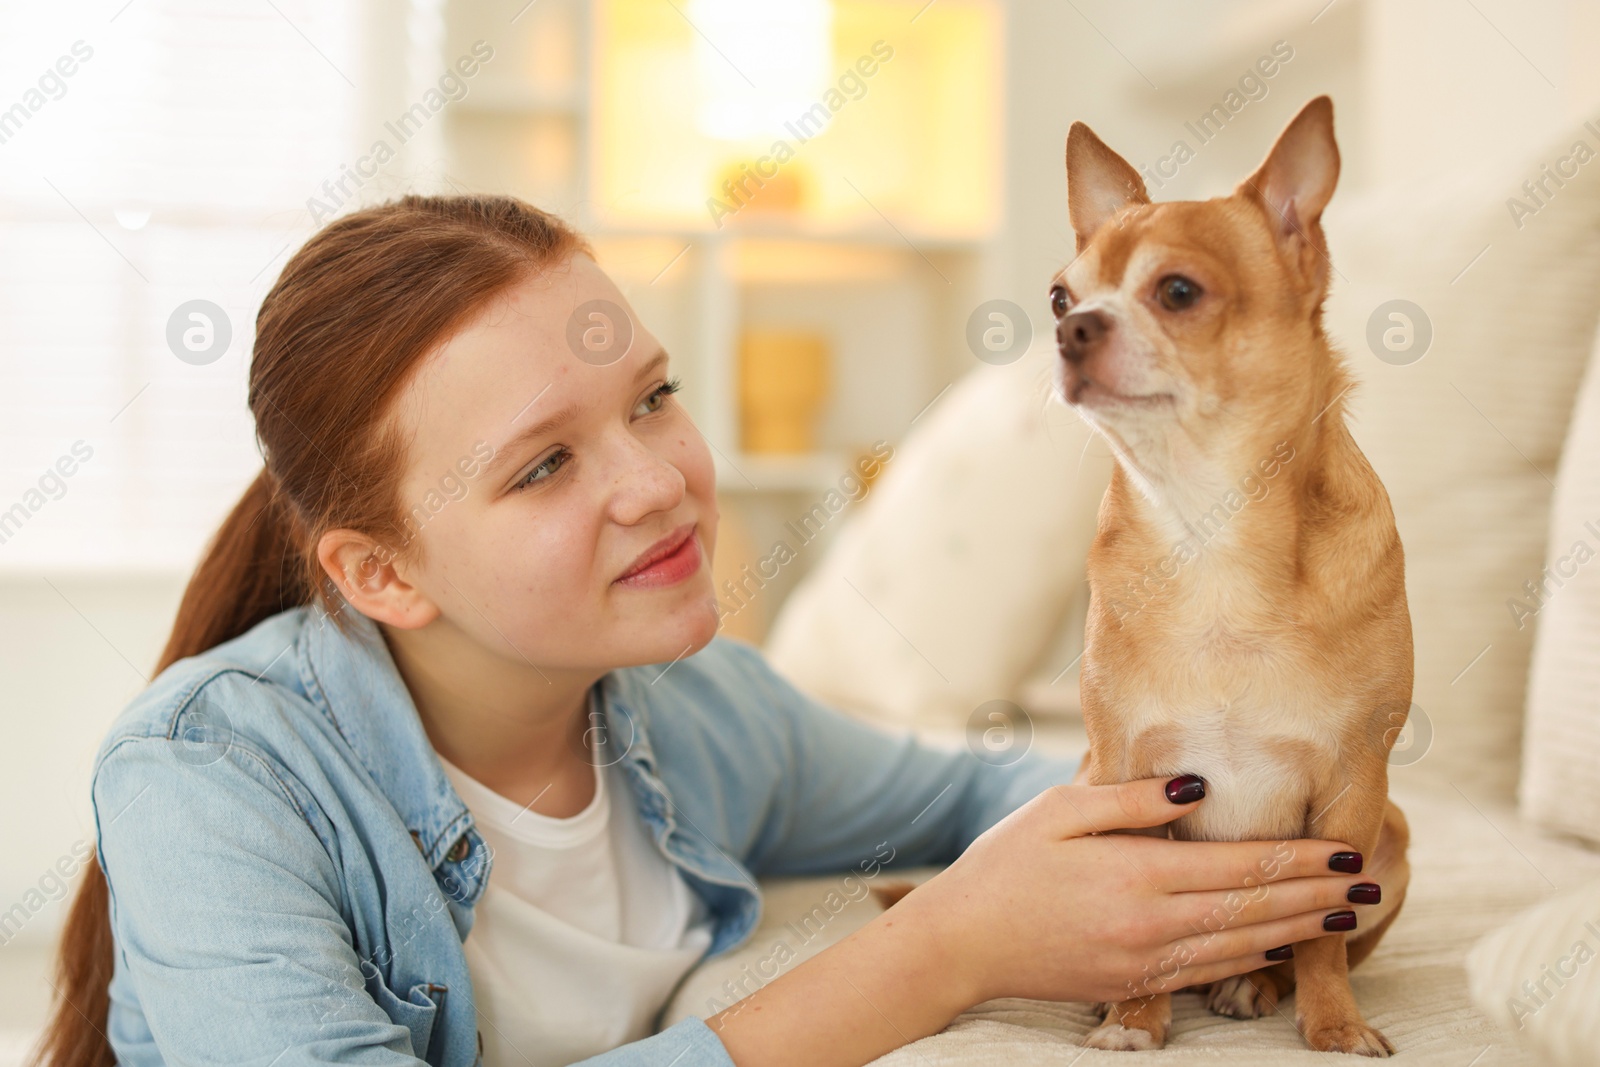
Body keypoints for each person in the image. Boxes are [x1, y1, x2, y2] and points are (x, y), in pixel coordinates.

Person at [35, 195, 1376, 1067]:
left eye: (653, 396)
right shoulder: (210, 779)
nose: (658, 479)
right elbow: (950, 926)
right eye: (544, 467)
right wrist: (942, 952)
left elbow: (982, 790)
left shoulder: (700, 718)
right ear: (379, 573)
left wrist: (1252, 826)